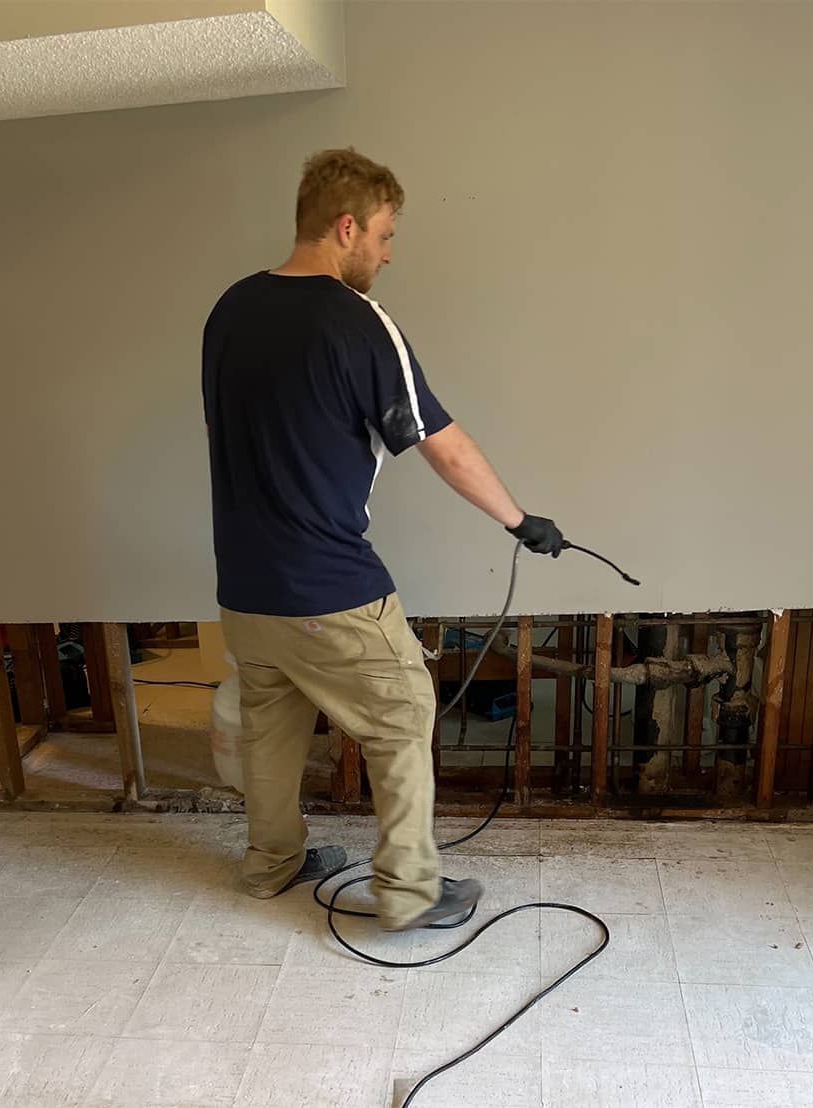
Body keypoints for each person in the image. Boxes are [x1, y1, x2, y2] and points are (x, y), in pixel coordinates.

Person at [202, 147, 563, 931]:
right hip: (326, 587)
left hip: (245, 589)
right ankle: (408, 891)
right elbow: (440, 442)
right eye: (386, 235)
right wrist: (519, 521)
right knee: (401, 712)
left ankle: (272, 864)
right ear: (346, 226)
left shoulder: (229, 310)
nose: (388, 254)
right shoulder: (356, 322)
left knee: (272, 723)